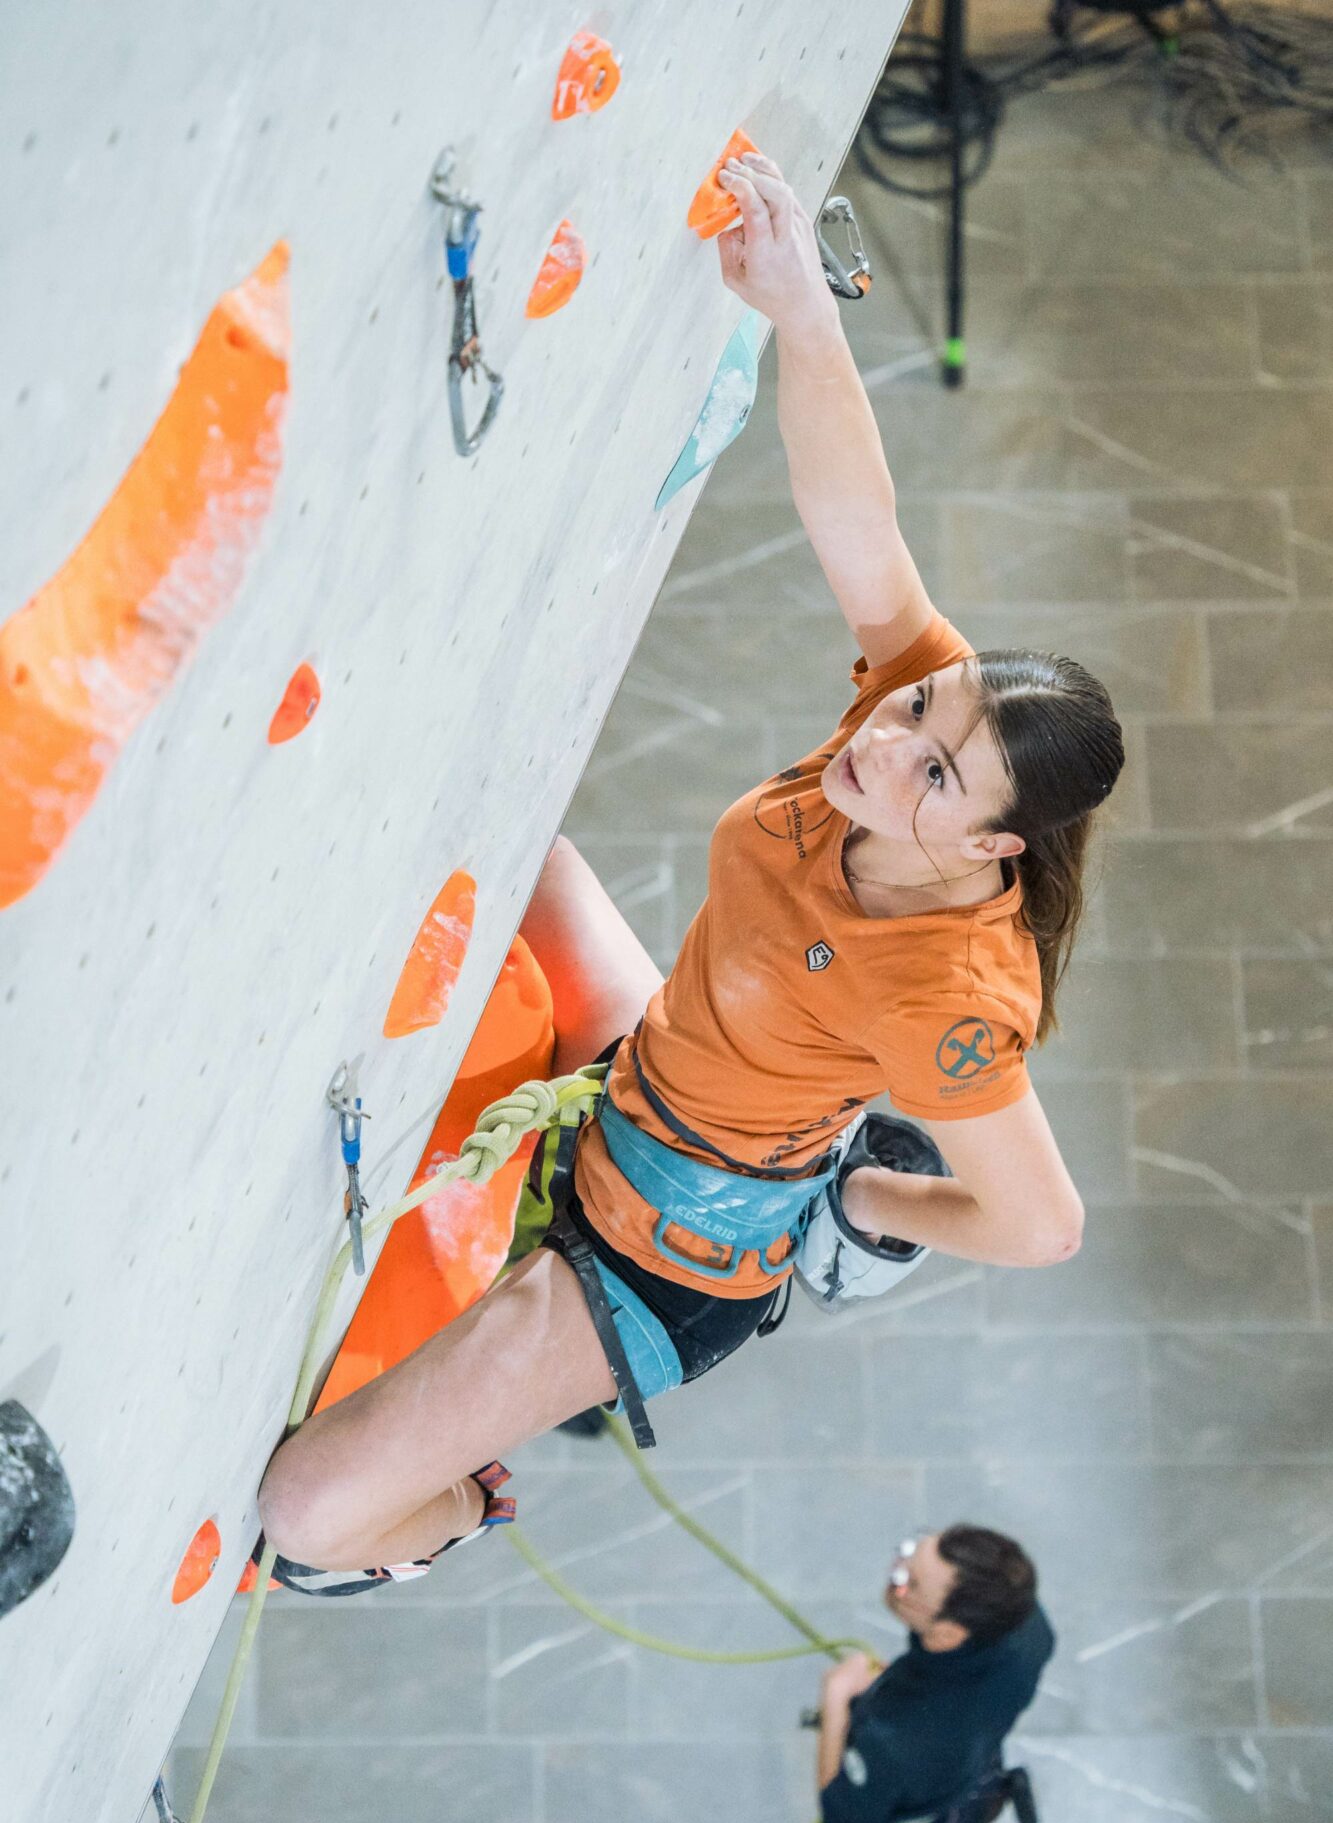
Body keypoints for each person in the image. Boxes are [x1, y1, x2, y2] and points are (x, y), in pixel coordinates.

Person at [255, 156, 1123, 1591]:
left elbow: (1044, 1226)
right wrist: (802, 314)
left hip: (663, 1260)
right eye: (917, 706)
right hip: (655, 1063)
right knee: (492, 831)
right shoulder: (912, 716)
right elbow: (859, 521)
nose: (884, 743)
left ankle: (462, 1508)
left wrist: (860, 1203)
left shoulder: (953, 996)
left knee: (304, 1518)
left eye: (934, 771)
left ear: (993, 846)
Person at [683, 1524, 1054, 1823]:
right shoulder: (1027, 1627)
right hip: (970, 1801)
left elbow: (843, 1817)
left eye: (909, 1583)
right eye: (909, 1553)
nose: (895, 1574)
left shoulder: (900, 1739)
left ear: (948, 1632)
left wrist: (837, 1700)